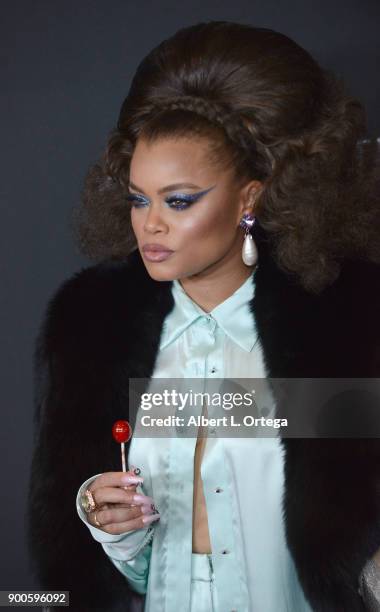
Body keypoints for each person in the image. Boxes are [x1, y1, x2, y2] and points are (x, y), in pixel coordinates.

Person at [27, 21, 380, 612]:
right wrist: (112, 527)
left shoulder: (350, 326)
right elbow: (100, 583)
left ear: (252, 197)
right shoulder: (91, 330)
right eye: (139, 198)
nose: (150, 224)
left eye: (180, 200)